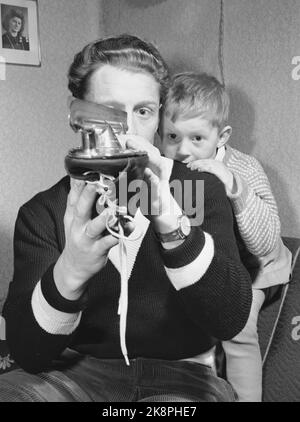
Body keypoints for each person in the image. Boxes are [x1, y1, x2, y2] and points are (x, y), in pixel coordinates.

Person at [0, 35, 252, 402]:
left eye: (144, 111)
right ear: (76, 114)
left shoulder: (201, 191)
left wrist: (171, 219)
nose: (128, 131)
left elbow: (230, 319)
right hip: (75, 373)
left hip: (182, 377)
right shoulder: (43, 213)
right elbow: (26, 352)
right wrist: (70, 270)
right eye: (109, 110)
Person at [160, 71, 292, 402]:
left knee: (239, 328)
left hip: (257, 269)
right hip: (213, 264)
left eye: (197, 139)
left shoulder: (244, 168)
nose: (182, 150)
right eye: (172, 136)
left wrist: (233, 186)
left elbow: (265, 242)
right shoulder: (167, 169)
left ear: (222, 136)